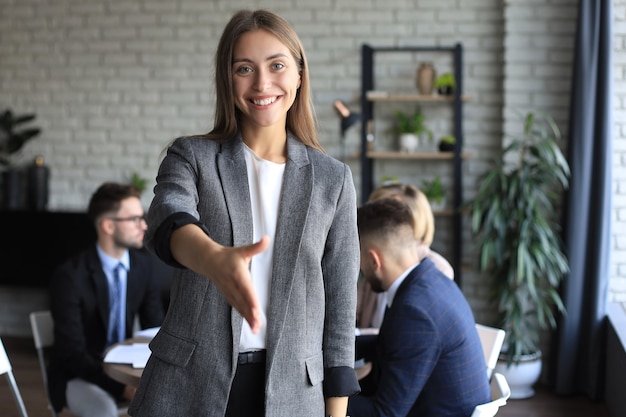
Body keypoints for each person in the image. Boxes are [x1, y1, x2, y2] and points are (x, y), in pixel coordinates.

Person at [128, 9, 360, 417]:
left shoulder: (333, 179)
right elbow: (168, 214)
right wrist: (212, 259)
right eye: (244, 68)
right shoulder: (192, 156)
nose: (262, 83)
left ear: (299, 74)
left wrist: (336, 411)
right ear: (227, 79)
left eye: (277, 65)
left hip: (294, 394)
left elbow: (340, 306)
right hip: (187, 386)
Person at [348, 198, 490, 417]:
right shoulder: (431, 280)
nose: (360, 270)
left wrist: (318, 398)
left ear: (373, 259)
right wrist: (336, 348)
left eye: (357, 260)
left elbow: (384, 414)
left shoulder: (415, 311)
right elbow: (391, 344)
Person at [48, 182, 165, 417]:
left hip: (125, 369)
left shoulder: (143, 267)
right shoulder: (70, 277)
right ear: (108, 225)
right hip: (80, 375)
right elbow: (72, 353)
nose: (144, 225)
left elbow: (155, 328)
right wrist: (121, 388)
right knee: (104, 412)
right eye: (134, 219)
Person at [356, 182, 454, 330]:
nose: (371, 221)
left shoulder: (437, 270)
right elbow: (354, 316)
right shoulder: (375, 264)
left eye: (384, 213)